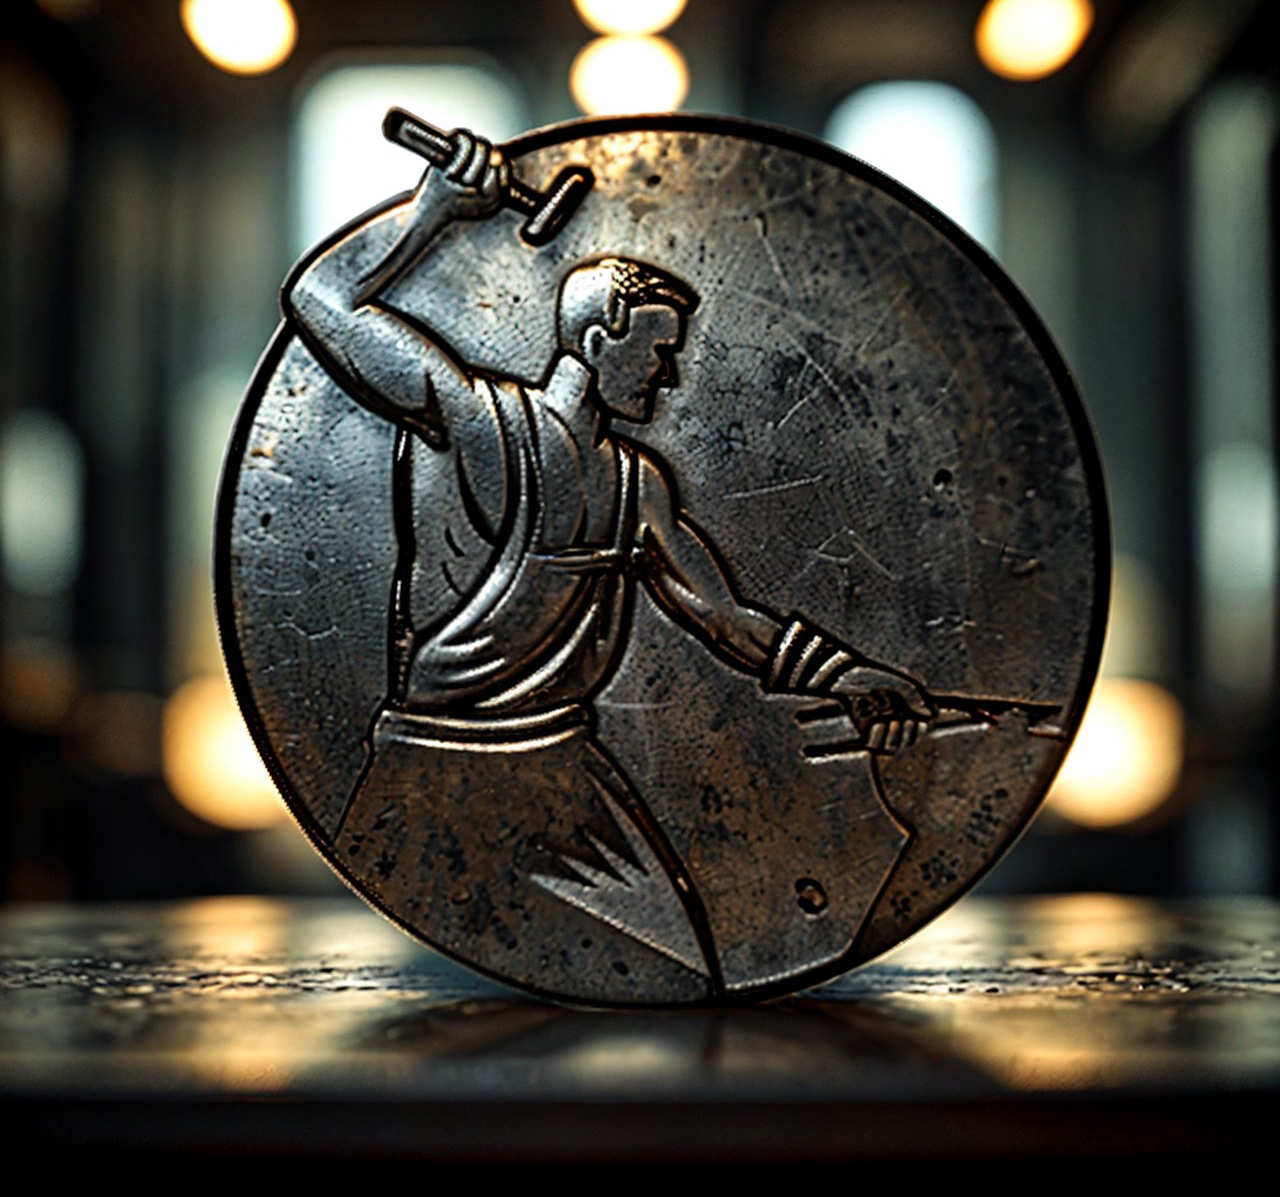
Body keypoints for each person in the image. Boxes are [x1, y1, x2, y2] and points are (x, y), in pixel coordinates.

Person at [288, 129, 933, 1002]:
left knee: (683, 968)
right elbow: (322, 297)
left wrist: (847, 675)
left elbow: (720, 615)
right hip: (443, 768)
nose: (669, 381)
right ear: (603, 335)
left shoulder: (636, 484)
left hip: (565, 767)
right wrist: (435, 212)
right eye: (659, 353)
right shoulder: (485, 429)